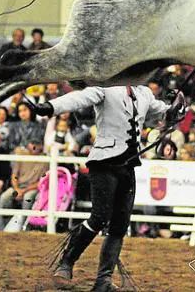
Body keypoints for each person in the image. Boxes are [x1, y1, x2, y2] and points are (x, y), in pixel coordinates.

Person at [33, 85, 185, 290]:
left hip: (128, 165)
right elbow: (79, 98)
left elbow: (167, 113)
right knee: (99, 217)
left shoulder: (144, 93)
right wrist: (51, 107)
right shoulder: (105, 88)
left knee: (120, 225)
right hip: (104, 161)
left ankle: (103, 280)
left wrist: (177, 106)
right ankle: (67, 262)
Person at [0, 140, 48, 231]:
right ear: (28, 145)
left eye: (37, 144)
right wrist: (17, 189)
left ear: (41, 146)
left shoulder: (46, 161)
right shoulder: (21, 156)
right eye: (33, 143)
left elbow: (42, 181)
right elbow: (14, 175)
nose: (34, 146)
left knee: (28, 198)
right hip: (18, 187)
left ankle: (23, 228)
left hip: (33, 188)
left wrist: (24, 190)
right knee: (4, 197)